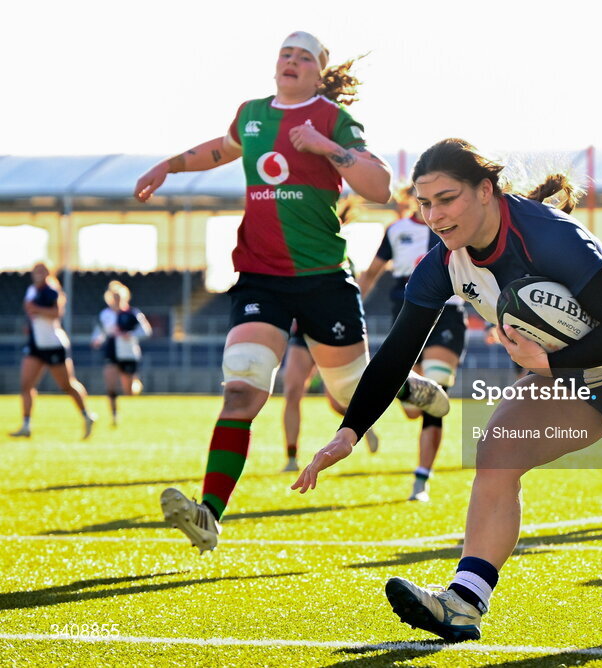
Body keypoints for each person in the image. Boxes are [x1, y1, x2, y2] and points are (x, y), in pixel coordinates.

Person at [293, 138, 602, 641]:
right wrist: (349, 431)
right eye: (425, 203)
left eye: (447, 199)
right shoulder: (443, 263)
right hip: (572, 377)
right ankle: (465, 601)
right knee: (496, 451)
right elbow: (398, 351)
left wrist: (550, 362)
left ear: (486, 190)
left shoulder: (550, 235)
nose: (434, 215)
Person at [134, 31, 449, 553]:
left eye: (305, 56)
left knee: (348, 396)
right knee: (242, 389)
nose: (292, 61)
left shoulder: (330, 117)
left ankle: (407, 388)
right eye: (286, 53)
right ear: (275, 65)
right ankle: (209, 514)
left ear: (319, 72)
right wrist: (168, 165)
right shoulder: (251, 113)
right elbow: (221, 148)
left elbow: (378, 183)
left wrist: (327, 148)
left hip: (324, 278)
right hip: (260, 277)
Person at [358, 185, 468, 501]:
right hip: (406, 316)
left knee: (436, 393)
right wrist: (355, 309)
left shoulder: (456, 228)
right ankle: (404, 390)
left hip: (447, 314)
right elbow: (371, 274)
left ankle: (421, 482)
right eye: (421, 199)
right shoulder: (396, 231)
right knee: (412, 410)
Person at [10, 262, 96, 439]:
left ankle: (87, 415)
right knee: (26, 385)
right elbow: (31, 315)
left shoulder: (51, 291)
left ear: (48, 273)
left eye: (42, 270)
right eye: (36, 270)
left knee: (67, 385)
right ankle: (26, 425)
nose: (38, 274)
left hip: (53, 344)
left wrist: (37, 310)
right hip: (36, 344)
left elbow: (56, 313)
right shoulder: (31, 290)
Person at [280, 320, 379, 472]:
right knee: (292, 392)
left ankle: (363, 424)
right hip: (303, 332)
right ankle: (291, 458)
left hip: (330, 328)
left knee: (338, 403)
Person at [90, 280, 152, 426]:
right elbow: (100, 332)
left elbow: (146, 331)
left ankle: (135, 384)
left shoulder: (132, 313)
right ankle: (114, 415)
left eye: (118, 296)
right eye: (113, 296)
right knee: (110, 385)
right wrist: (96, 340)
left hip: (128, 353)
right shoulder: (105, 314)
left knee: (128, 390)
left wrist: (129, 335)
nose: (116, 299)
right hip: (111, 352)